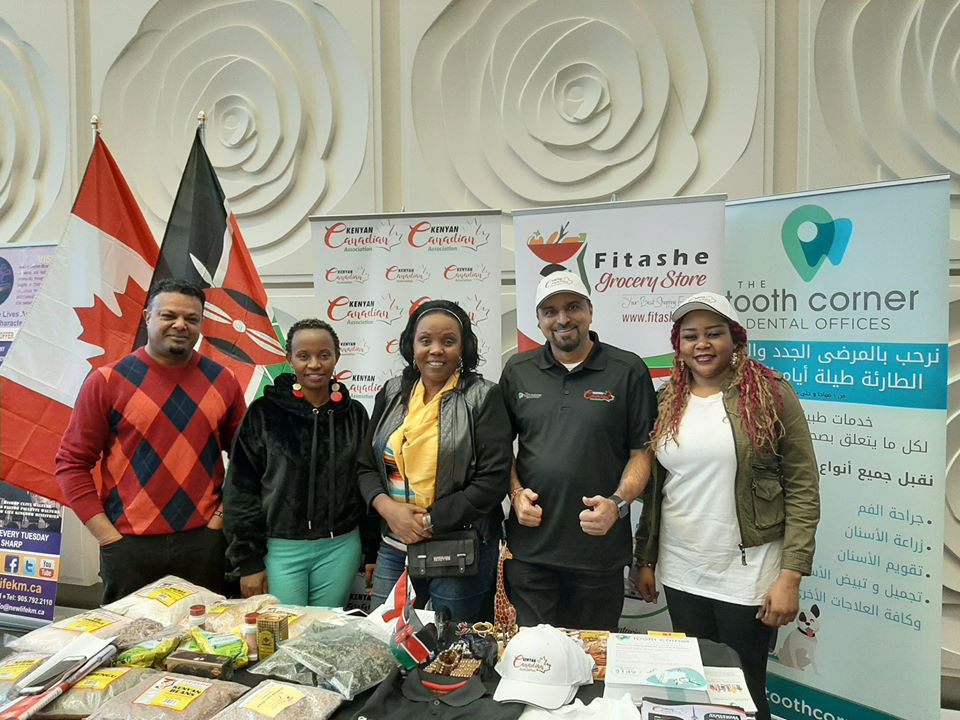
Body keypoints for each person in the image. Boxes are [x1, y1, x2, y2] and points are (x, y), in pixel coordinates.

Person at [633, 291, 820, 720]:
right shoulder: (666, 400)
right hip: (683, 570)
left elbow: (803, 488)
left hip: (747, 574)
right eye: (690, 336)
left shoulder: (770, 395)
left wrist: (790, 576)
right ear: (678, 345)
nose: (701, 344)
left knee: (744, 691)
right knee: (697, 687)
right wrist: (645, 558)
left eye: (713, 333)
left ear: (734, 339)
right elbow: (658, 491)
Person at [55, 279, 246, 602]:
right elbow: (71, 463)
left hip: (206, 543)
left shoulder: (223, 380)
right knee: (130, 635)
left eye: (192, 318)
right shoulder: (107, 381)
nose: (181, 325)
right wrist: (106, 536)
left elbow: (247, 459)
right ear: (147, 317)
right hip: (128, 546)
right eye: (168, 315)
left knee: (208, 632)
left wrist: (220, 519)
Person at [499, 269, 657, 631]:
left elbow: (642, 453)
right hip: (531, 553)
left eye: (572, 307)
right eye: (550, 311)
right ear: (538, 320)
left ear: (590, 311)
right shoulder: (518, 370)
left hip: (598, 555)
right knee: (533, 656)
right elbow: (499, 449)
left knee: (592, 656)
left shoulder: (627, 369)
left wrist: (617, 504)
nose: (562, 319)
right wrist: (516, 493)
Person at [358, 299, 512, 622]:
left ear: (463, 347)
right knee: (383, 637)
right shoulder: (392, 392)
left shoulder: (483, 396)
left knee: (452, 643)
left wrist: (428, 521)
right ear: (411, 345)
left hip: (459, 548)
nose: (436, 350)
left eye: (448, 341)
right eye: (425, 340)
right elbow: (366, 467)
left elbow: (492, 481)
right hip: (395, 544)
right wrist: (390, 511)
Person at [223, 318, 374, 606]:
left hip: (340, 548)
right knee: (285, 630)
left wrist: (372, 549)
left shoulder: (354, 414)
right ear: (289, 358)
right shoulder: (263, 412)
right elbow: (240, 490)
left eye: (324, 355)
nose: (314, 364)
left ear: (337, 356)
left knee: (326, 629)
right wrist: (248, 561)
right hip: (279, 549)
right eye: (304, 356)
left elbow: (365, 482)